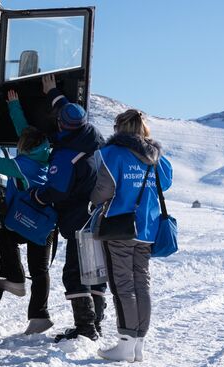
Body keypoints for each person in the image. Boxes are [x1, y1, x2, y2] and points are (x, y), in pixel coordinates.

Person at [0, 90, 55, 335]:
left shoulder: (22, 166)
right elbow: (25, 131)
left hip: (23, 221)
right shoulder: (45, 157)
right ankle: (40, 317)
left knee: (5, 235)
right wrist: (14, 105)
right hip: (45, 224)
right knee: (40, 271)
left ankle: (16, 280)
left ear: (24, 147)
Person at [90, 109, 172, 362]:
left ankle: (125, 343)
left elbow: (102, 190)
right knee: (141, 284)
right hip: (148, 229)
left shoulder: (111, 154)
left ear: (118, 128)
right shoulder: (158, 157)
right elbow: (165, 184)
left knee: (123, 285)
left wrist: (92, 201)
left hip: (120, 227)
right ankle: (138, 345)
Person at [30, 75, 107, 342]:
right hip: (99, 217)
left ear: (63, 125)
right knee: (95, 270)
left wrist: (37, 196)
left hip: (78, 220)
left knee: (74, 273)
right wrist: (53, 92)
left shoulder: (65, 156)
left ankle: (86, 329)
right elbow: (69, 110)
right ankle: (97, 323)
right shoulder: (93, 138)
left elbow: (57, 191)